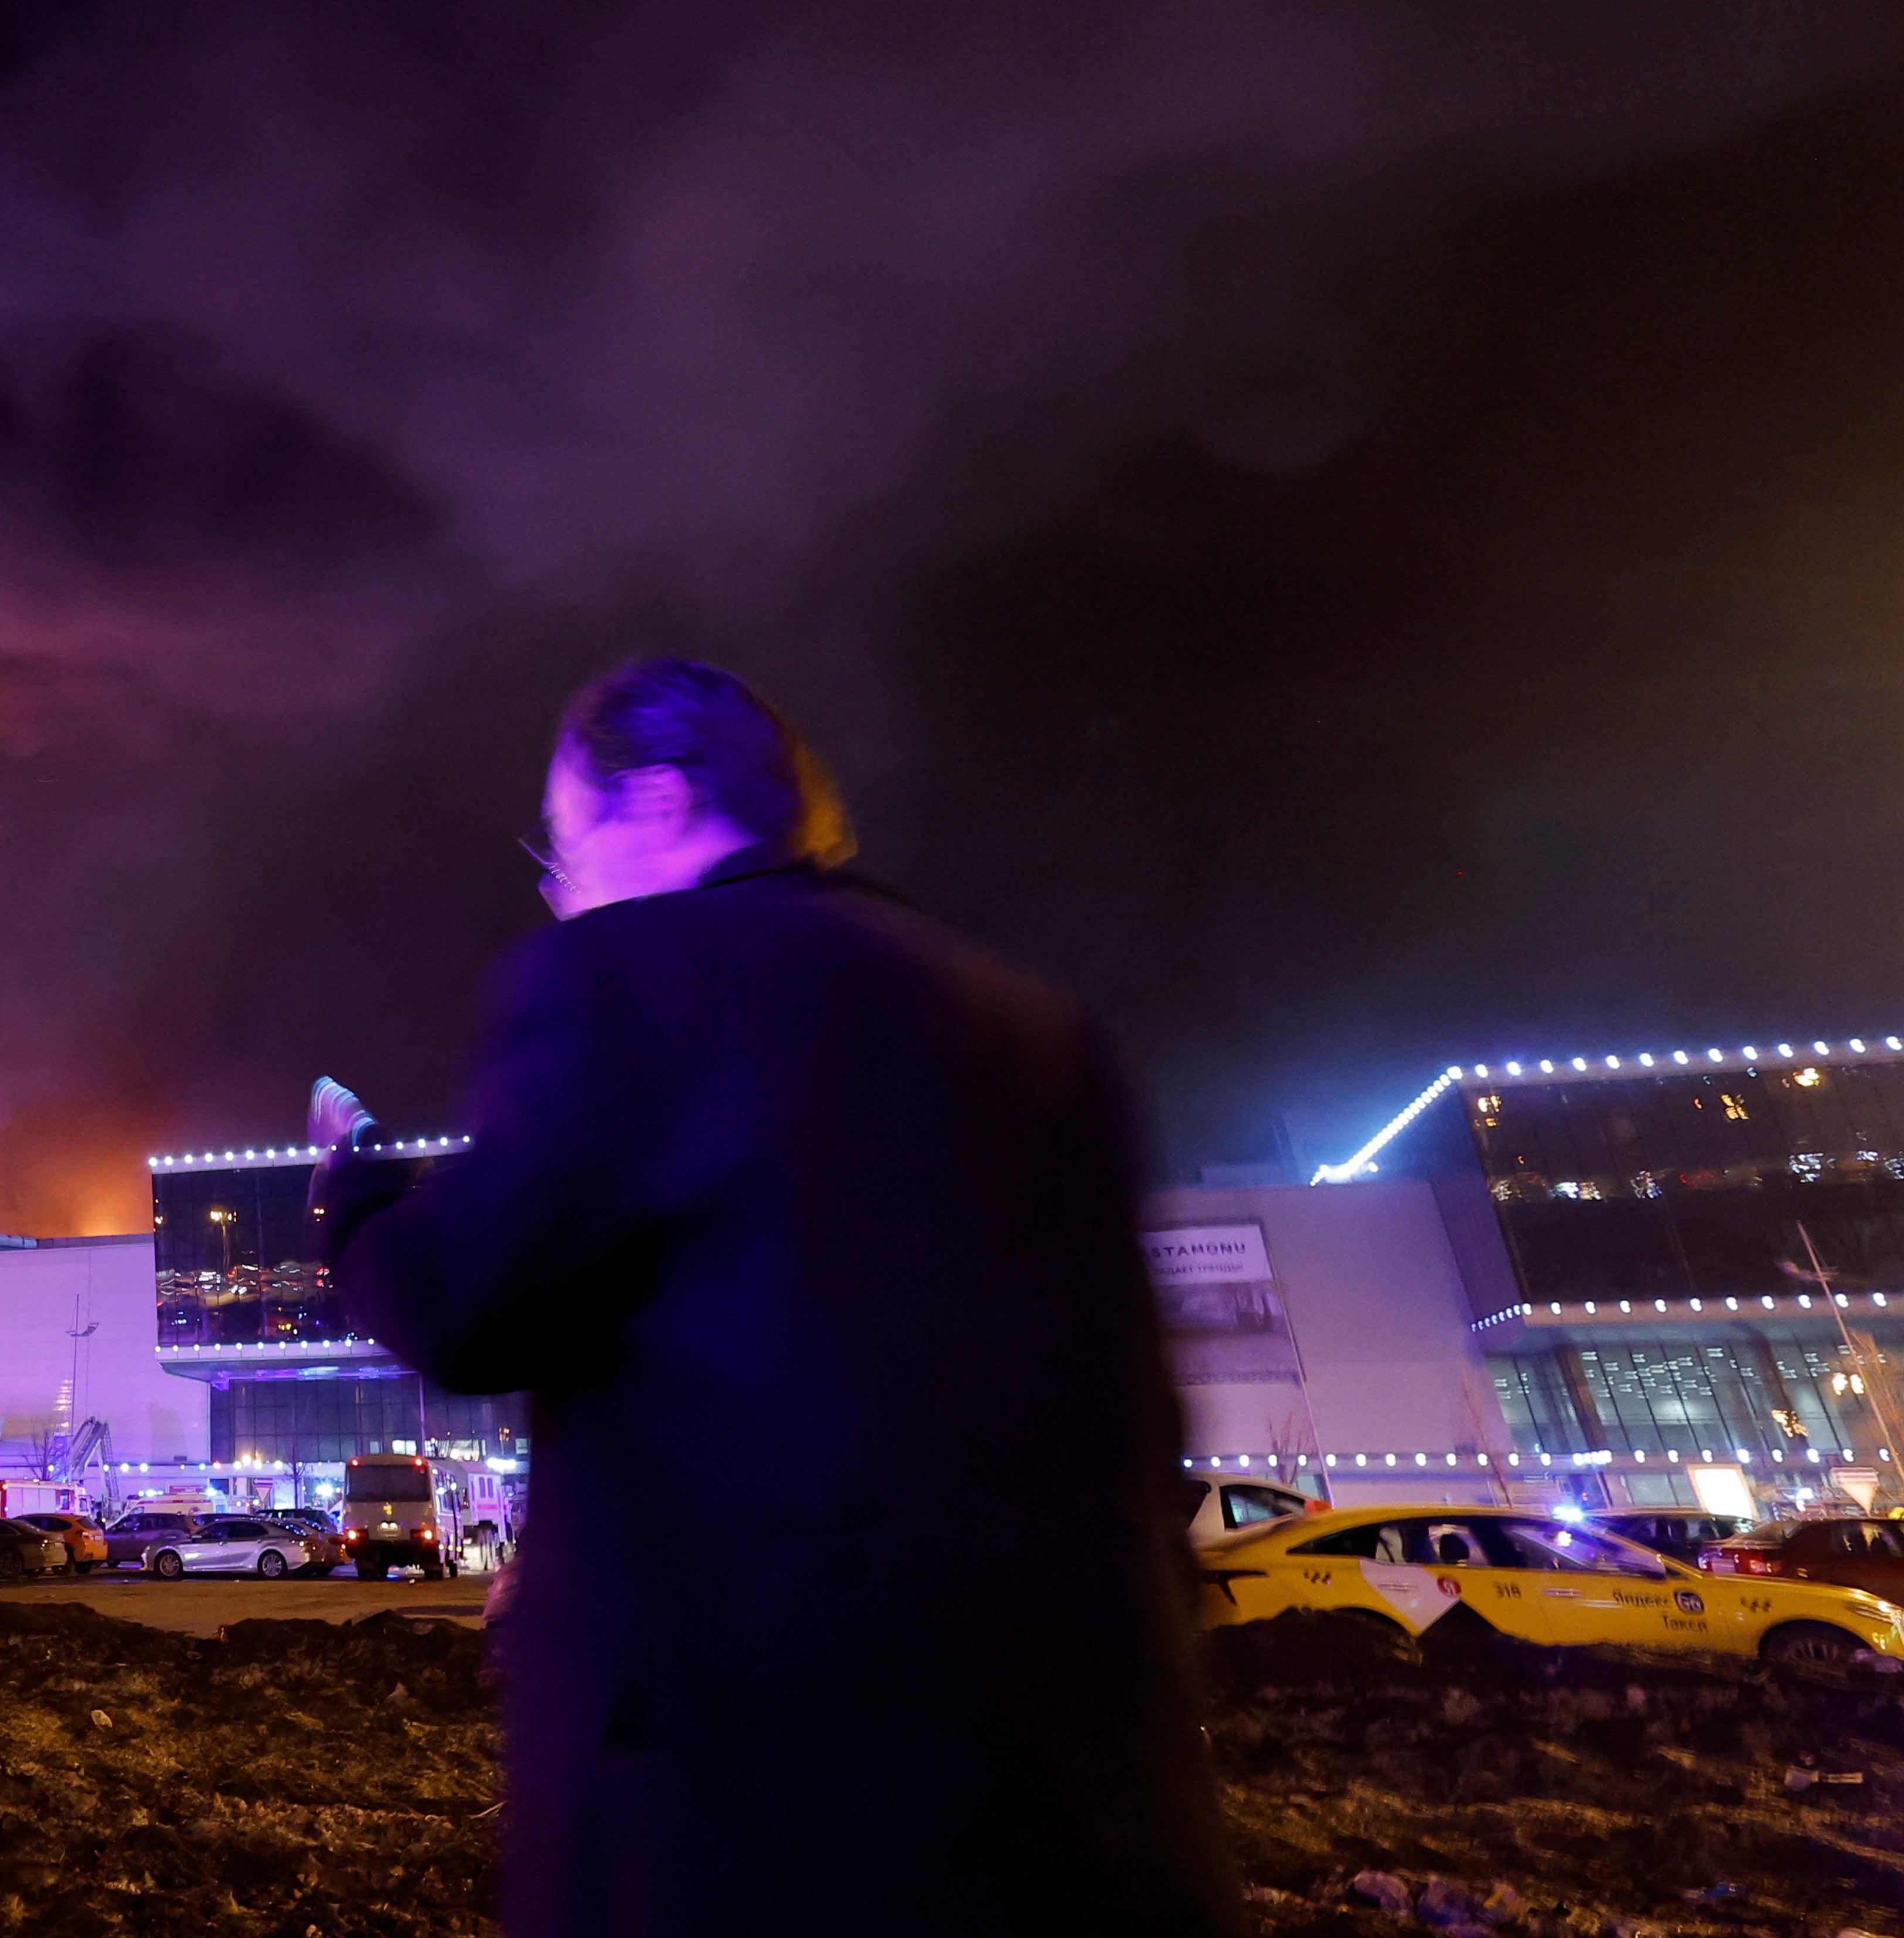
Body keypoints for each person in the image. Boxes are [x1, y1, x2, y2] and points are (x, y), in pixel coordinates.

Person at [315, 657, 1238, 1938]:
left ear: (654, 798)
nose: (558, 883)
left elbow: (466, 1299)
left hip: (759, 1804)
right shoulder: (1041, 1025)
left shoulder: (622, 975)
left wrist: (349, 1193)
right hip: (1080, 1812)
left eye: (563, 839)